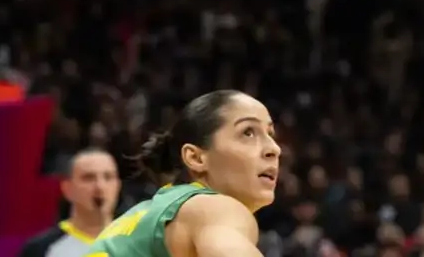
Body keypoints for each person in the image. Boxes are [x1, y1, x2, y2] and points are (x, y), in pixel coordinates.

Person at [84, 90, 279, 257]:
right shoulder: (213, 208)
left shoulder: (153, 213)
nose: (274, 149)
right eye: (248, 133)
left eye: (270, 134)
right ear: (195, 158)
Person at [20, 149, 120, 257]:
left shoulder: (137, 243)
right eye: (89, 178)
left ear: (118, 186)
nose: (100, 186)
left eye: (108, 177)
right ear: (67, 188)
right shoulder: (41, 249)